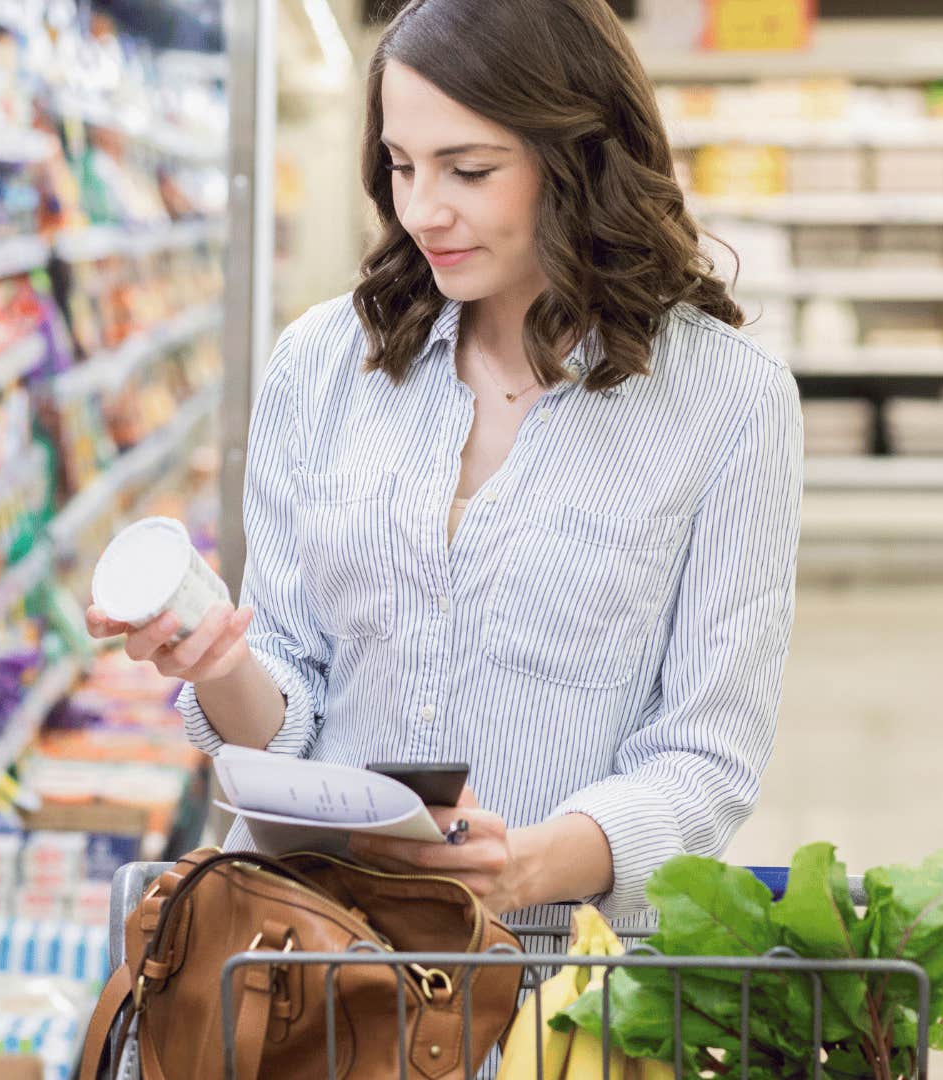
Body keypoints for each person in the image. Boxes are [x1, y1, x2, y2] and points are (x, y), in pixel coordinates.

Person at [86, 0, 802, 918]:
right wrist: (220, 664)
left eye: (469, 169)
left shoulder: (729, 403)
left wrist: (531, 866)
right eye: (400, 165)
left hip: (551, 977)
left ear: (579, 157)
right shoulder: (322, 362)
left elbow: (707, 758)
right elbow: (288, 695)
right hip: (315, 963)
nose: (424, 210)